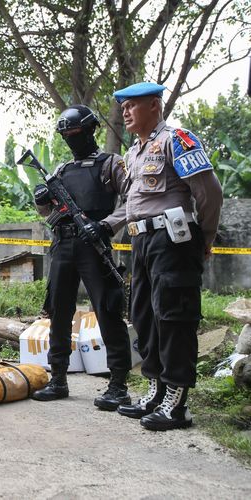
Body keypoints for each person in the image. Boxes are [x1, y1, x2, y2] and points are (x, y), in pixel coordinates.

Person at [110, 82, 222, 431]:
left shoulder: (177, 139)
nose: (125, 112)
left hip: (173, 239)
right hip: (142, 243)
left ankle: (177, 402)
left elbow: (209, 193)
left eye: (132, 105)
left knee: (174, 317)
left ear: (155, 105)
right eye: (124, 107)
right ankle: (157, 390)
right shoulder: (135, 152)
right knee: (145, 317)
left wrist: (204, 237)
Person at [30, 105, 133, 410]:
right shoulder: (61, 171)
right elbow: (50, 213)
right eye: (66, 135)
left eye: (75, 133)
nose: (71, 139)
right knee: (58, 312)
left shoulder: (111, 164)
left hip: (95, 245)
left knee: (107, 311)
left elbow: (132, 202)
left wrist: (105, 226)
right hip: (63, 245)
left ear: (90, 131)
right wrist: (41, 201)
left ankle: (118, 385)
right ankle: (58, 378)